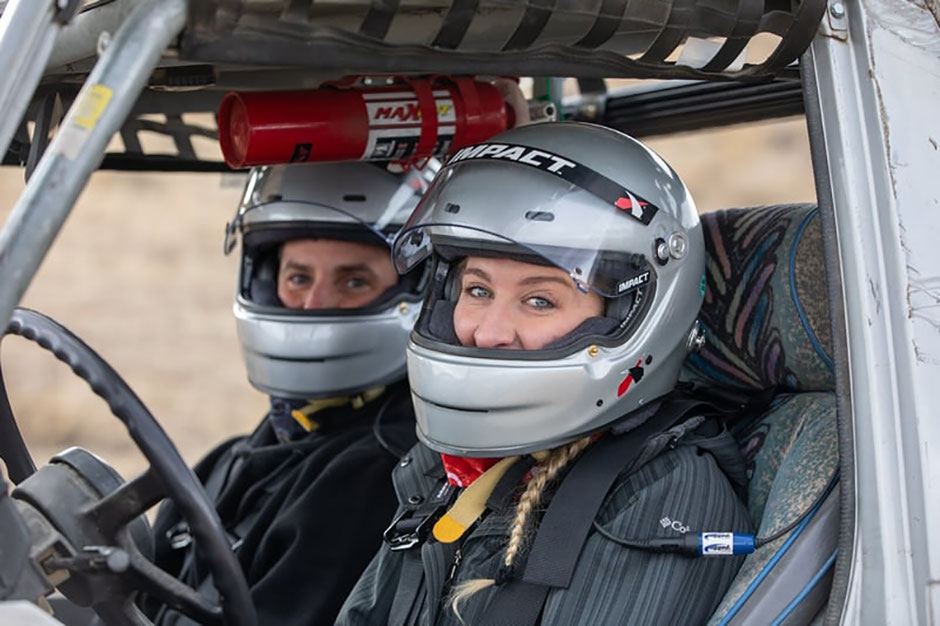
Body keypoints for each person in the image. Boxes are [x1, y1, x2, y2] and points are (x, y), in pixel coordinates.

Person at [336, 122, 752, 625]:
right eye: (478, 290)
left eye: (539, 300)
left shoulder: (663, 493)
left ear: (632, 314)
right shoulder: (453, 466)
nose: (488, 333)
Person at [144, 160, 433, 625]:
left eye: (353, 281)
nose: (313, 304)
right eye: (298, 277)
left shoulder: (377, 474)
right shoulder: (239, 456)